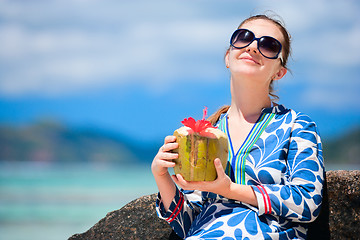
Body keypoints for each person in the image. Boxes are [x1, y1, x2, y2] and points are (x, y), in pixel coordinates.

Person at [151, 14, 325, 240]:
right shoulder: (206, 133)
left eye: (269, 45)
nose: (253, 46)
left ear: (279, 72)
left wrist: (228, 190)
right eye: (243, 38)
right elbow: (189, 223)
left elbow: (308, 202)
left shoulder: (296, 125)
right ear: (227, 57)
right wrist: (161, 175)